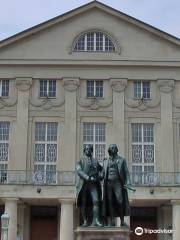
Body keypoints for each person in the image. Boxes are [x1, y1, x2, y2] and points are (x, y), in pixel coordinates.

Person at [103, 144, 131, 227]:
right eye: (111, 148)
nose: (112, 149)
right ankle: (112, 221)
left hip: (117, 183)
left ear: (116, 149)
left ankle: (122, 220)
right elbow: (103, 172)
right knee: (110, 202)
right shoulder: (105, 160)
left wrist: (128, 181)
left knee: (120, 201)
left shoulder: (121, 160)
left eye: (113, 148)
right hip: (108, 183)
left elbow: (126, 171)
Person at [76, 144, 104, 227]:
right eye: (86, 149)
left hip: (93, 184)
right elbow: (79, 170)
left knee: (96, 201)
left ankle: (95, 220)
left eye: (90, 149)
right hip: (83, 184)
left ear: (92, 151)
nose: (88, 150)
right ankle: (85, 221)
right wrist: (87, 177)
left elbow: (101, 169)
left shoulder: (95, 160)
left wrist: (101, 175)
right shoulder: (80, 160)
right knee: (83, 203)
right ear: (84, 150)